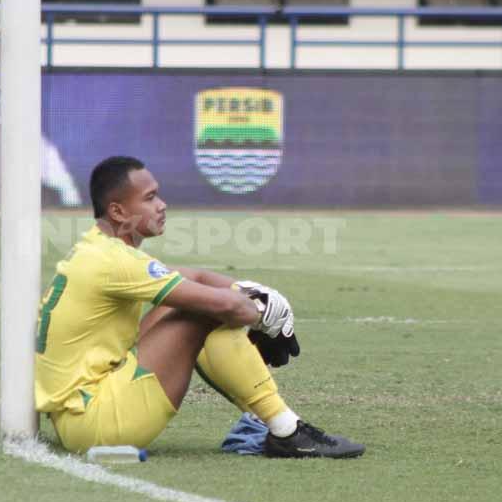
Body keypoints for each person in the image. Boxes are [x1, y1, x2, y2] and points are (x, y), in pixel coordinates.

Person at [34, 156, 365, 458]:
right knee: (202, 311)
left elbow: (195, 277)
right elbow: (228, 308)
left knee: (194, 302)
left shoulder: (100, 249)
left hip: (79, 415)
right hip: (98, 423)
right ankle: (287, 430)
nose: (162, 205)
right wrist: (265, 314)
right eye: (149, 198)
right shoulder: (117, 262)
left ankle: (278, 426)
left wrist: (256, 295)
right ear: (118, 212)